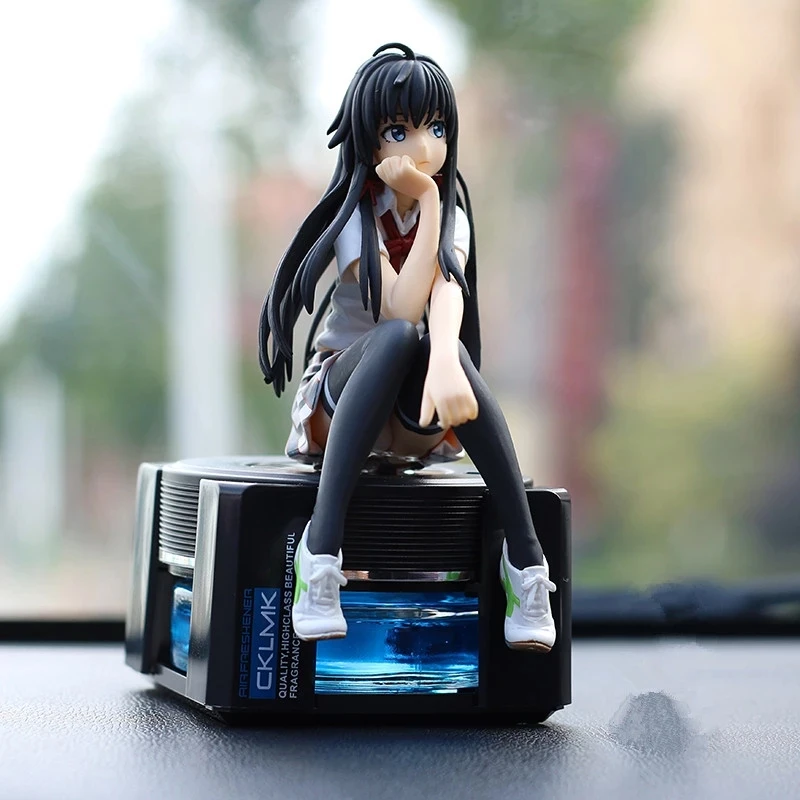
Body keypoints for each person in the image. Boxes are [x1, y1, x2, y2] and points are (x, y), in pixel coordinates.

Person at [258, 43, 556, 651]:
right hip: (343, 398)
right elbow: (395, 307)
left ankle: (526, 561)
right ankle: (320, 552)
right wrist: (427, 201)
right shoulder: (356, 217)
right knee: (398, 335)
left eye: (436, 129)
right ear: (370, 143)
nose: (423, 148)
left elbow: (447, 293)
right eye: (400, 131)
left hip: (409, 413)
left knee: (441, 349)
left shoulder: (452, 218)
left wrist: (446, 362)